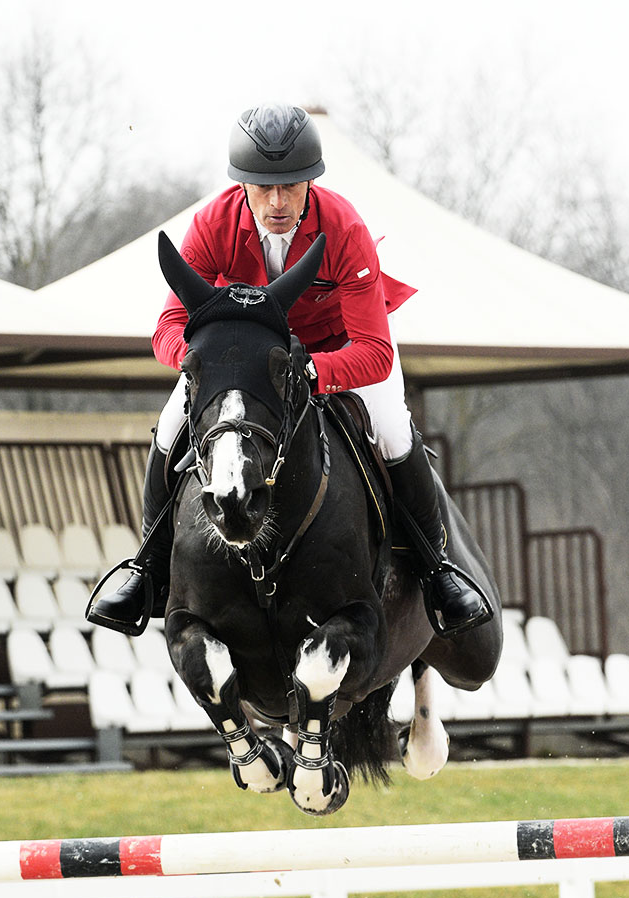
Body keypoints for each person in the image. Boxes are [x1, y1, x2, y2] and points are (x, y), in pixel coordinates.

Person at [89, 104, 490, 636]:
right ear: (241, 185)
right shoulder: (212, 225)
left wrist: (309, 373)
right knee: (168, 430)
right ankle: (147, 568)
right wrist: (201, 362)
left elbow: (375, 351)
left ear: (311, 181)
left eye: (292, 186)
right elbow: (166, 327)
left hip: (339, 347)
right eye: (263, 187)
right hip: (248, 362)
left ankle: (437, 570)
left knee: (392, 428)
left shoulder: (344, 228)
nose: (277, 202)